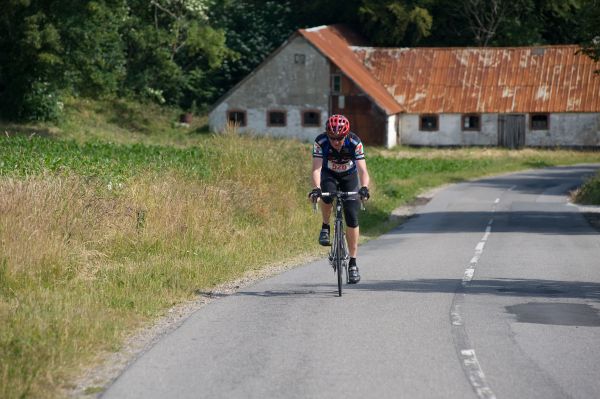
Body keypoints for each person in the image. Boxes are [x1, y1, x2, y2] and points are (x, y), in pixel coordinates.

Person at [308, 114, 370, 284]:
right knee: (326, 195)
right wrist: (316, 189)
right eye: (333, 138)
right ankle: (326, 226)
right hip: (329, 175)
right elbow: (316, 169)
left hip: (349, 177)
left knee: (352, 217)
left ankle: (353, 263)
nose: (336, 141)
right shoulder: (321, 142)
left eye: (340, 138)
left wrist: (364, 188)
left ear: (346, 135)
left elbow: (363, 170)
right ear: (327, 135)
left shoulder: (355, 143)